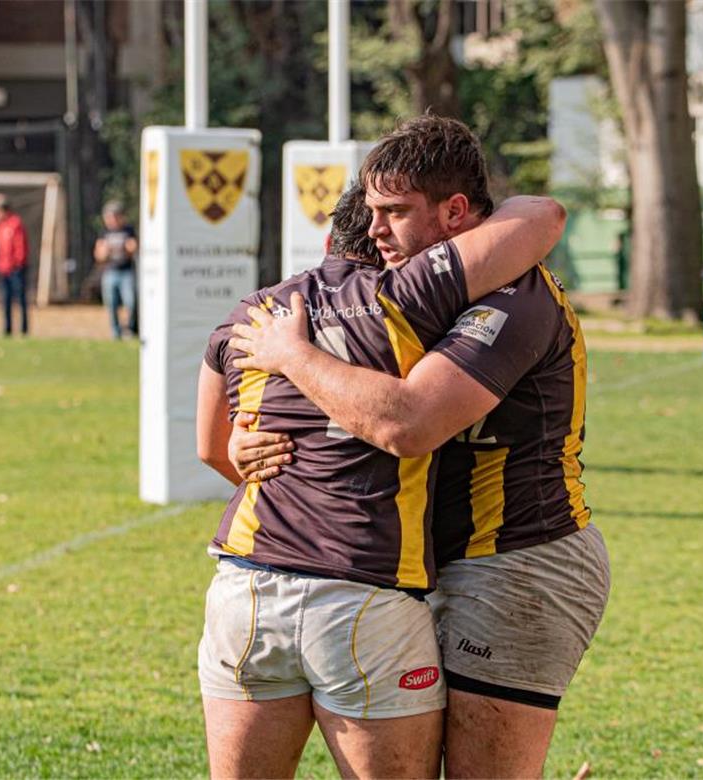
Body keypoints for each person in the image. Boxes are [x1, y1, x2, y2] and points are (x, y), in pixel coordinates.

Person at [227, 114, 610, 778]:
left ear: (457, 212)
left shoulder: (514, 295)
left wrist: (291, 356)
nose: (376, 230)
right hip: (437, 562)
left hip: (518, 560)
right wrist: (251, 437)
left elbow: (407, 426)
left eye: (396, 212)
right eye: (371, 211)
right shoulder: (415, 292)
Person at [94, 202, 138, 340]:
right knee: (111, 304)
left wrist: (129, 248)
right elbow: (98, 255)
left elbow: (134, 248)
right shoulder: (104, 232)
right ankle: (116, 332)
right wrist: (104, 251)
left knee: (130, 302)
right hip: (110, 272)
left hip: (126, 272)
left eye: (113, 217)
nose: (110, 220)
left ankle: (130, 329)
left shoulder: (128, 230)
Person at [0, 193, 30, 337]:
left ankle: (24, 330)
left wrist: (17, 264)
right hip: (4, 269)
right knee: (5, 300)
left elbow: (20, 247)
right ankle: (7, 329)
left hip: (16, 269)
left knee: (20, 300)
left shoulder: (15, 223)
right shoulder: (0, 225)